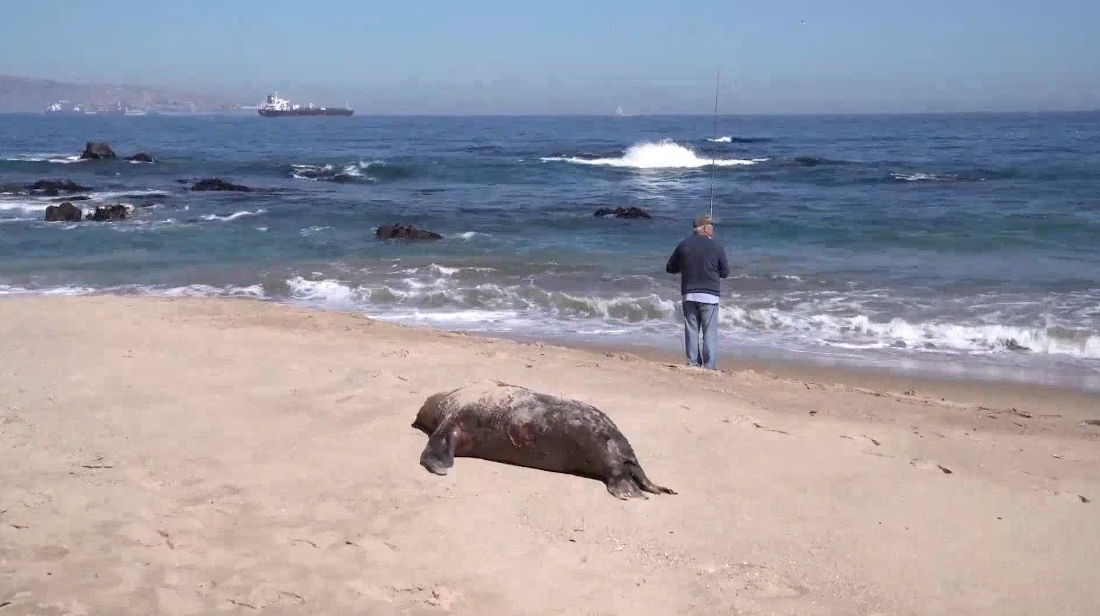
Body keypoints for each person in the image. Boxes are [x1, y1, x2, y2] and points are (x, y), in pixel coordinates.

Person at [665, 213, 730, 369]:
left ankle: (693, 363)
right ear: (706, 228)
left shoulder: (683, 244)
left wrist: (684, 268)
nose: (713, 229)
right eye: (712, 226)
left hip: (689, 294)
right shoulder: (717, 246)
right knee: (710, 332)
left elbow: (670, 268)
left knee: (692, 330)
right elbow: (725, 272)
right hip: (710, 296)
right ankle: (709, 366)